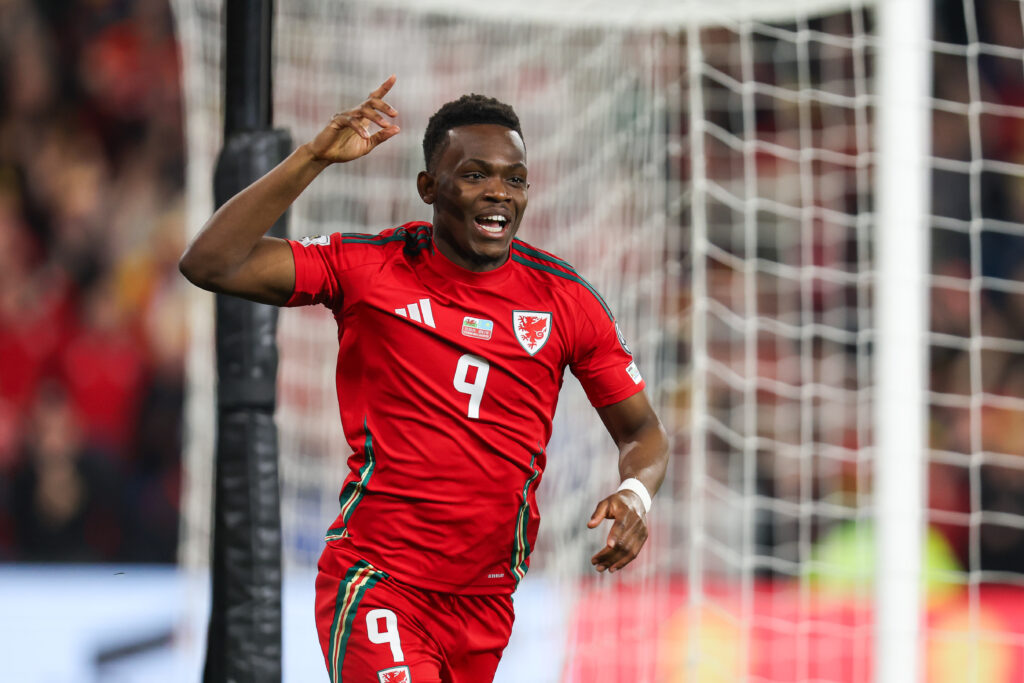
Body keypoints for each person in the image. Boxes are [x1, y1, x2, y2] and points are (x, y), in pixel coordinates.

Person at [179, 76, 668, 683]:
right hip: (378, 582)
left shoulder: (564, 300)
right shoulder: (367, 269)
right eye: (475, 175)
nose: (499, 194)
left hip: (485, 601)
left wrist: (636, 494)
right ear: (428, 187)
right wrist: (313, 158)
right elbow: (210, 262)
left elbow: (643, 431)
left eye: (514, 179)